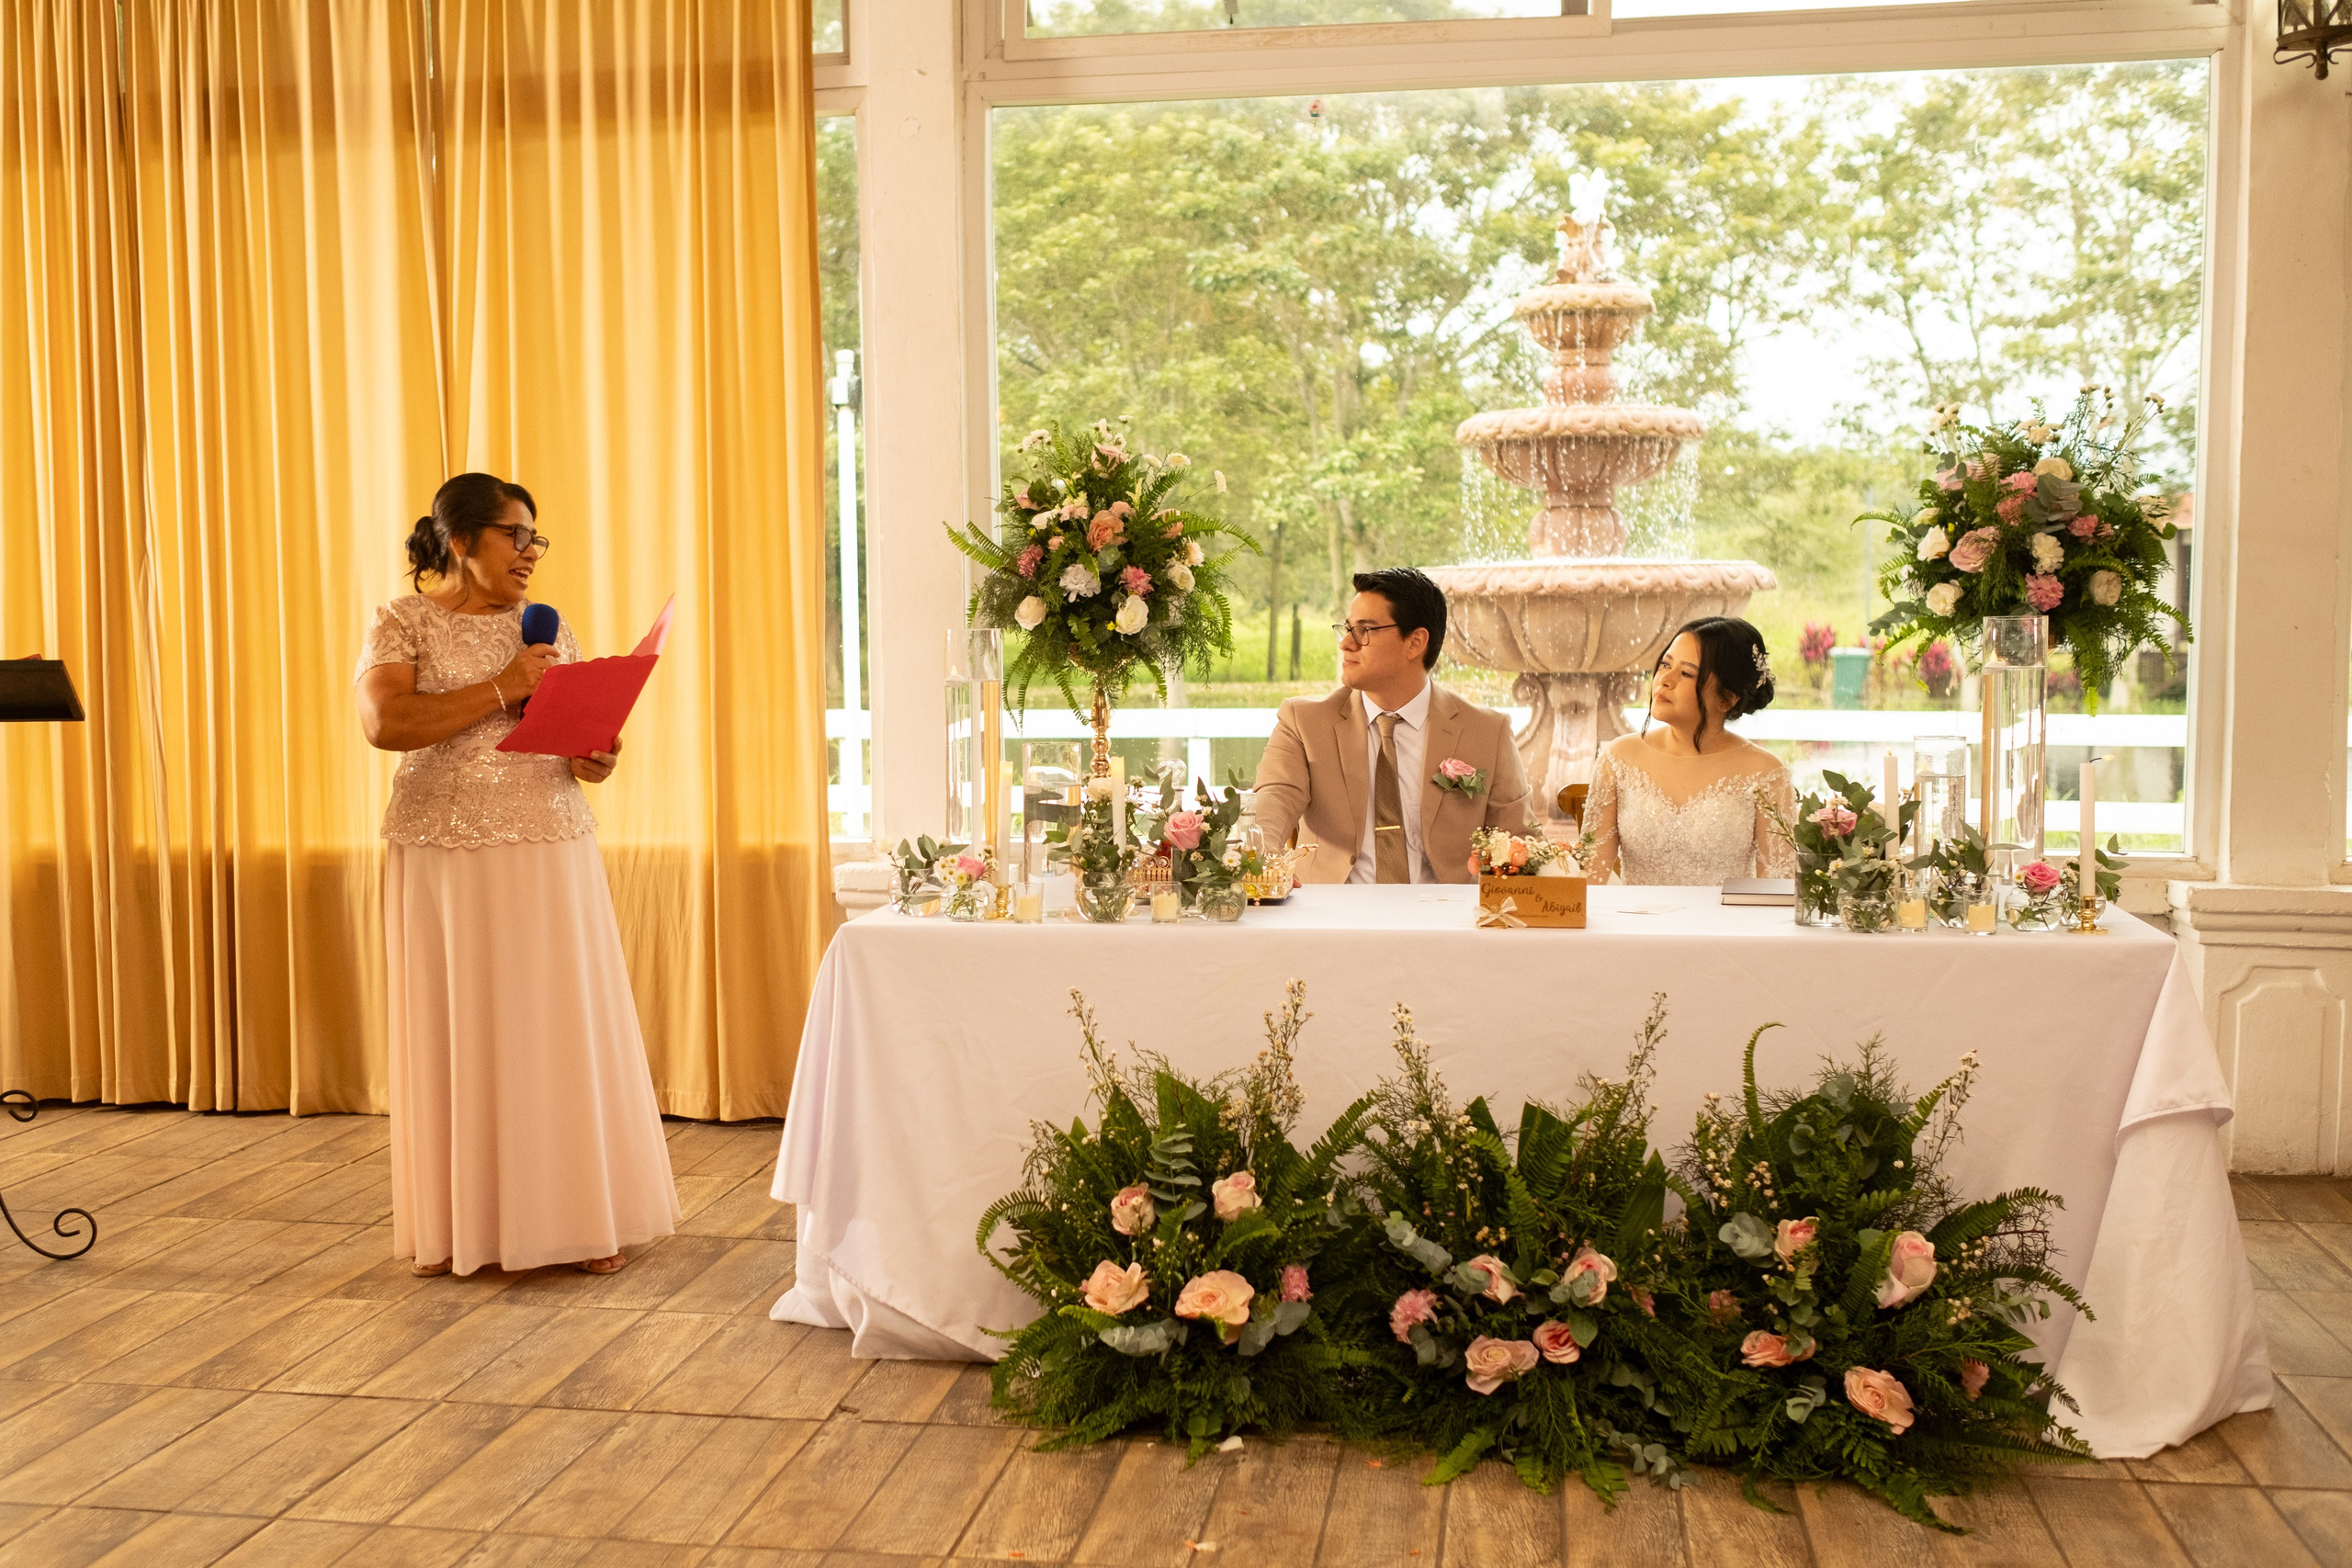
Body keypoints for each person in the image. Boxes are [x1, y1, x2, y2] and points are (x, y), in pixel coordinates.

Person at [355, 472, 679, 1278]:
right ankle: (465, 1222)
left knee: (555, 1026)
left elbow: (574, 748)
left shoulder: (549, 627)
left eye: (537, 538)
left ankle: (579, 1219)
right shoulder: (402, 622)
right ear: (460, 540)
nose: (531, 552)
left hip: (548, 840)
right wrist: (503, 686)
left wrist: (595, 750)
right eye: (515, 534)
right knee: (460, 1024)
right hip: (442, 847)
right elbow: (386, 722)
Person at [1251, 568, 1532, 883]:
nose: (1346, 643)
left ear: (1415, 643)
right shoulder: (1304, 722)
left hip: (1445, 918)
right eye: (1347, 628)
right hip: (1334, 919)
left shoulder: (1486, 731)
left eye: (1364, 630)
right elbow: (1271, 804)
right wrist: (1260, 861)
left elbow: (1520, 840)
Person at [1582, 615, 1795, 886]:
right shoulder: (1619, 757)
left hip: (1728, 927)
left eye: (1686, 673)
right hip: (1636, 925)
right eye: (1665, 664)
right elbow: (1588, 880)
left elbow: (1778, 890)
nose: (1665, 680)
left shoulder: (1766, 773)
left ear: (1727, 698)